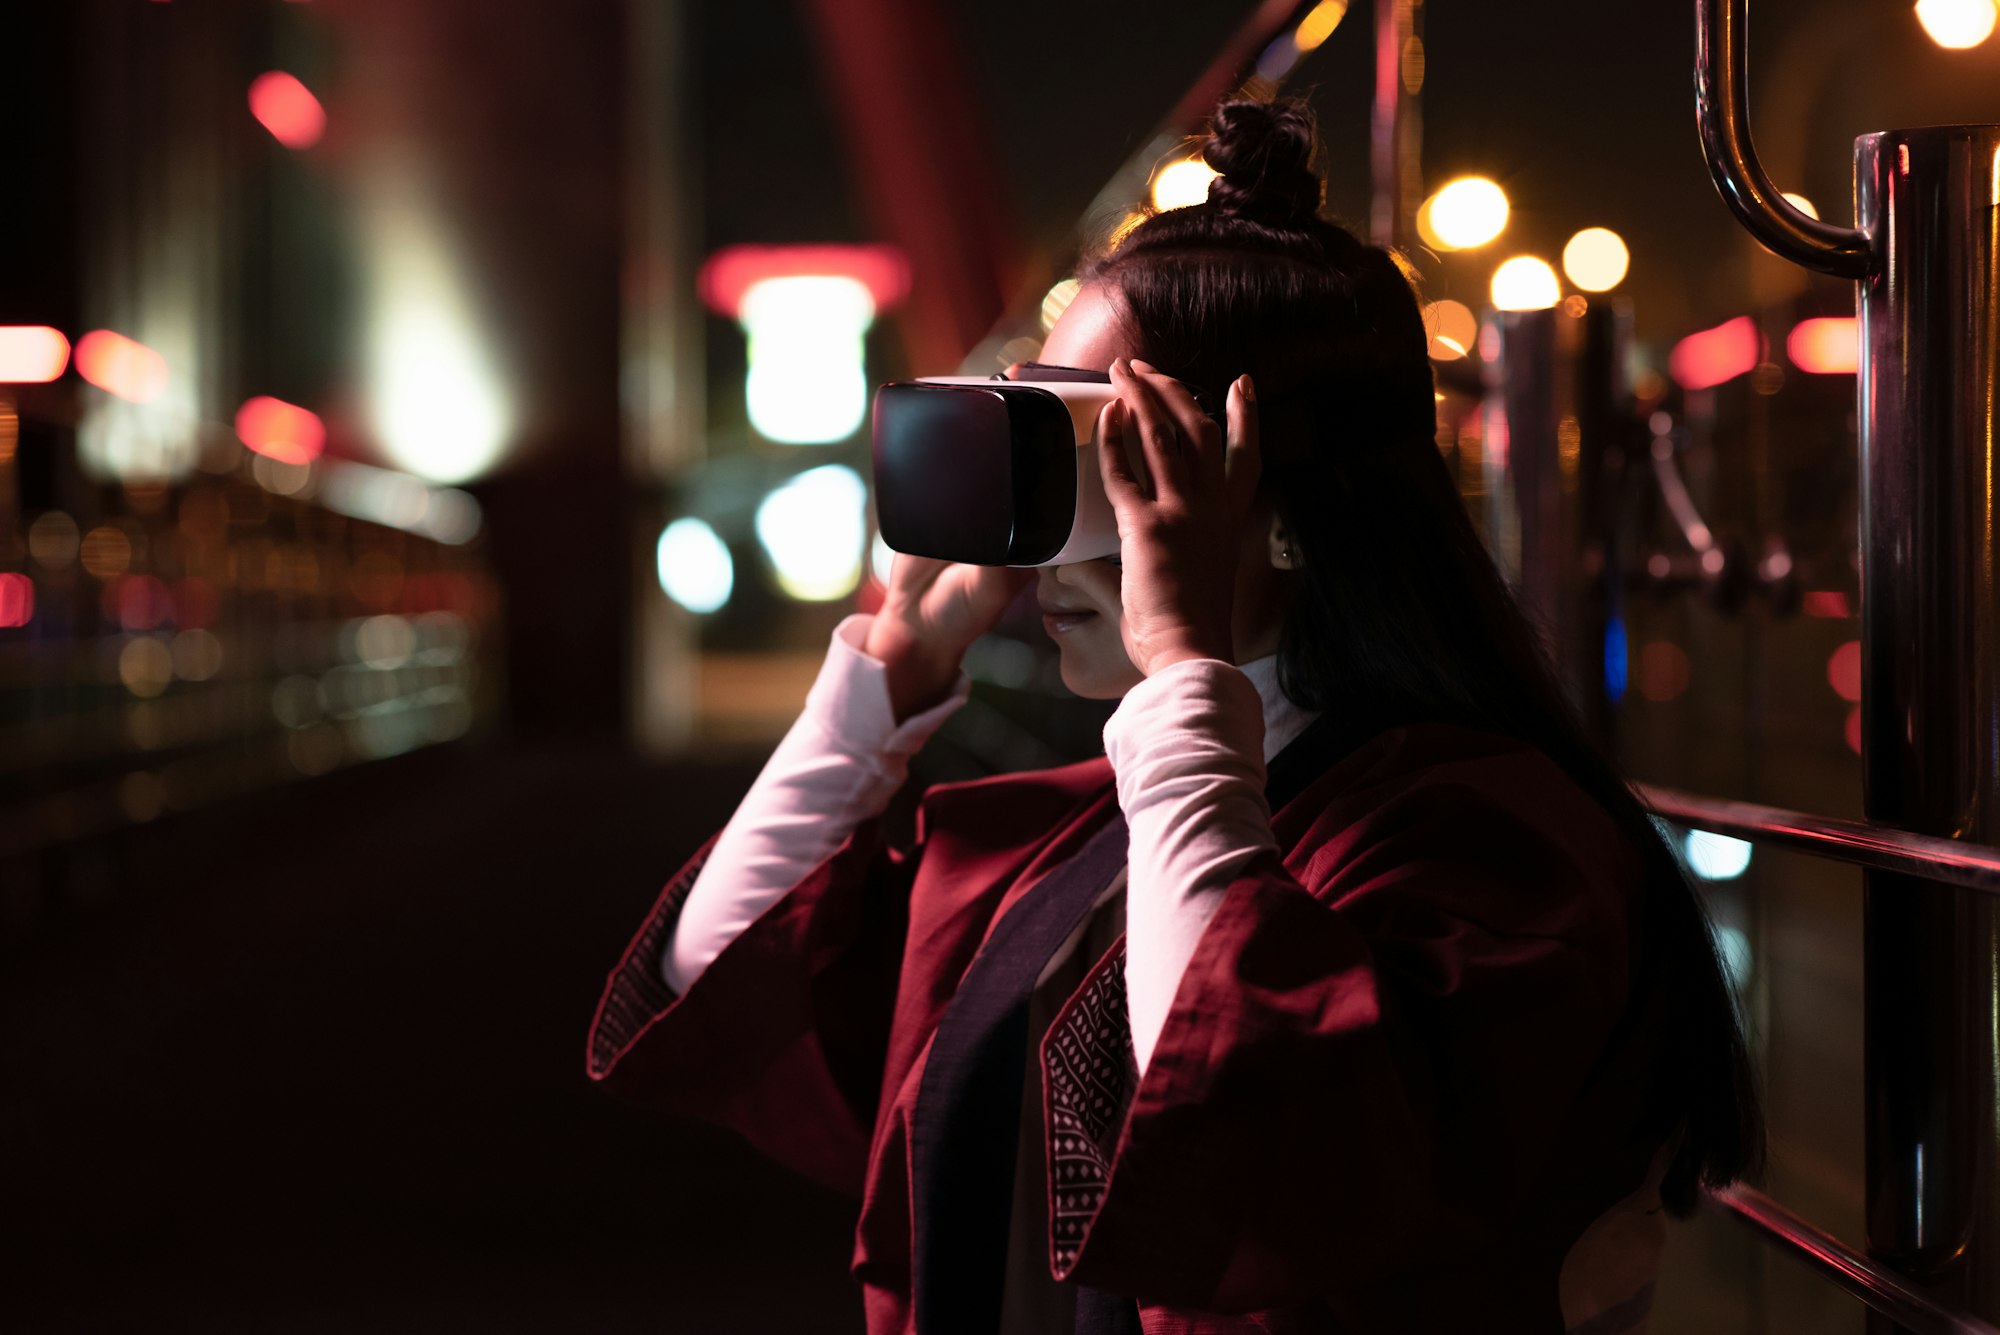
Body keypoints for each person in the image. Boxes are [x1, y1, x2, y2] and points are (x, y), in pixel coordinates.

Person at [587, 97, 1763, 1335]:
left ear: (1277, 498)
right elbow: (722, 974)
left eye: (1113, 450)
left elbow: (1253, 1130)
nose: (1054, 533)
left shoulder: (1483, 844)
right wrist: (893, 664)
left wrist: (1180, 654)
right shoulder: (1113, 829)